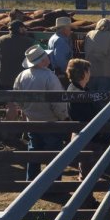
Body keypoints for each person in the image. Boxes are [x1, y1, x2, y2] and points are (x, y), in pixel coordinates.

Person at [14, 45, 68, 180]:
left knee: (33, 151)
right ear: (43, 61)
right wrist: (64, 117)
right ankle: (53, 184)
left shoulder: (22, 75)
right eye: (46, 57)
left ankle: (31, 180)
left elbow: (16, 99)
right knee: (54, 154)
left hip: (31, 120)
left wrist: (25, 109)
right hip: (51, 121)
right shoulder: (50, 77)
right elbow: (58, 102)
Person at [66, 58, 104, 185]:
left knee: (86, 168)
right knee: (88, 169)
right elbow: (90, 114)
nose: (90, 73)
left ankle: (87, 198)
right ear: (83, 73)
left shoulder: (74, 89)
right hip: (88, 135)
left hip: (81, 132)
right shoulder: (81, 94)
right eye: (88, 71)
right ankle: (86, 200)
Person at [0, 20, 34, 123]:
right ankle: (25, 130)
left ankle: (9, 130)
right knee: (25, 106)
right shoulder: (28, 41)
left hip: (6, 77)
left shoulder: (1, 40)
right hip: (23, 77)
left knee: (11, 104)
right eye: (24, 28)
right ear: (20, 29)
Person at [84, 18, 110, 92]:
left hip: (90, 73)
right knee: (106, 98)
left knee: (92, 97)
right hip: (106, 73)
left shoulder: (89, 34)